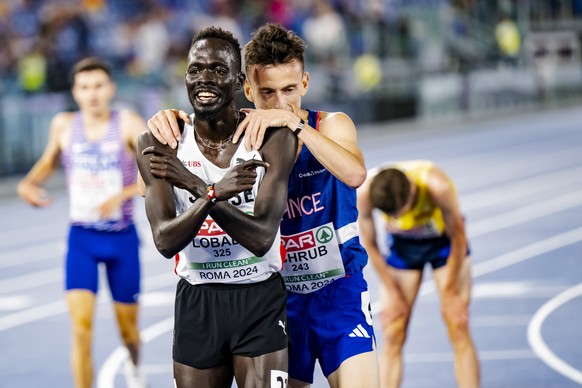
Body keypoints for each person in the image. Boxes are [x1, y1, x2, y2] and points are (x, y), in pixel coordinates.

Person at [146, 23, 380, 388]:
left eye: (289, 90)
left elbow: (354, 174)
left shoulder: (331, 125)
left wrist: (294, 125)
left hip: (338, 293)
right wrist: (168, 117)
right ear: (247, 89)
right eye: (267, 93)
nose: (280, 103)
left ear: (305, 83)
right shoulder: (249, 140)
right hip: (280, 296)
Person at [135, 27, 297, 387]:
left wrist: (195, 187)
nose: (204, 78)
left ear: (239, 81)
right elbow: (164, 241)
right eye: (195, 70)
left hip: (259, 297)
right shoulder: (158, 142)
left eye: (218, 70)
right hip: (198, 300)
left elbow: (261, 238)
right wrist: (214, 193)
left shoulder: (272, 139)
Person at [17, 57, 147, 388]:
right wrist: (28, 184)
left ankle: (134, 366)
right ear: (75, 92)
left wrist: (121, 195)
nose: (92, 94)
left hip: (121, 239)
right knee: (81, 329)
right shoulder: (63, 125)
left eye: (99, 86)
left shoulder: (129, 123)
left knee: (128, 331)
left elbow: (157, 176)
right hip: (82, 239)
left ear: (111, 89)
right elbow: (48, 162)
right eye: (85, 87)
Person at [357, 161, 480, 388]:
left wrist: (451, 292)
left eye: (404, 212)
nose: (401, 220)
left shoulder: (437, 186)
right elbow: (371, 244)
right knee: (393, 330)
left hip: (444, 245)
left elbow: (459, 238)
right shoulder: (365, 192)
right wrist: (393, 292)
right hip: (404, 248)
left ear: (413, 189)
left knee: (457, 323)